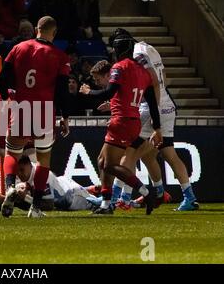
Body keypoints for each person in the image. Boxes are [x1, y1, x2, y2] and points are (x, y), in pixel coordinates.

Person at [107, 29, 199, 211]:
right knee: (164, 154)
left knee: (129, 153)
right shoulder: (149, 48)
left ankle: (118, 197)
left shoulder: (136, 53)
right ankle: (185, 196)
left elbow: (154, 81)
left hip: (152, 108)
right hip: (167, 105)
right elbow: (163, 76)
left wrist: (152, 107)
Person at [79, 35, 163, 215]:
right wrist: (157, 128)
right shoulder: (144, 72)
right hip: (133, 121)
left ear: (118, 51)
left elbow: (109, 91)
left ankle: (145, 192)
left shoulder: (119, 67)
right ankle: (106, 204)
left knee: (109, 165)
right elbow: (152, 104)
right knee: (102, 161)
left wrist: (88, 92)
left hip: (122, 121)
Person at [0, 16, 71, 218]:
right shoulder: (60, 56)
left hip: (21, 106)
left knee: (12, 153)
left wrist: (6, 98)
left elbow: (2, 79)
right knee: (43, 161)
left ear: (36, 29)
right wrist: (64, 117)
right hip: (45, 110)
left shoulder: (18, 48)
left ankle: (10, 186)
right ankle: (36, 208)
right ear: (54, 33)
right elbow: (63, 91)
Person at [15, 156, 101, 211]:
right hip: (62, 185)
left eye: (22, 170)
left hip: (71, 196)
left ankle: (110, 198)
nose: (19, 174)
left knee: (97, 205)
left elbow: (48, 206)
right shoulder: (30, 170)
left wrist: (25, 198)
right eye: (17, 171)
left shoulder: (42, 177)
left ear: (30, 166)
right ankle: (89, 189)